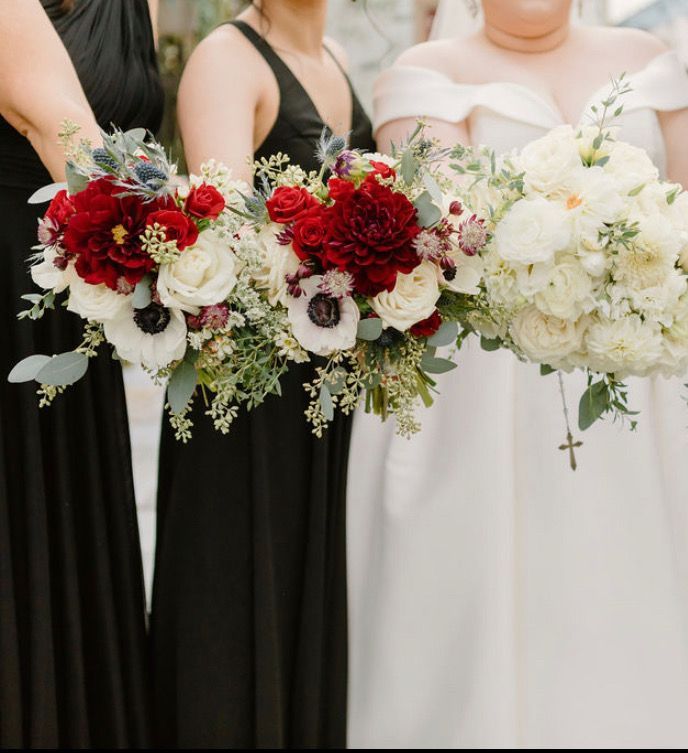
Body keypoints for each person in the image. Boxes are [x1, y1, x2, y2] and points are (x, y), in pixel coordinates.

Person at [344, 0, 688, 746]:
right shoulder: (422, 77)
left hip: (658, 367)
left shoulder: (646, 58)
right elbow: (449, 229)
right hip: (493, 391)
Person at [148, 0, 375, 746]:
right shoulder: (228, 58)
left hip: (326, 383)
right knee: (240, 598)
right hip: (249, 395)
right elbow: (229, 252)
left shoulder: (335, 53)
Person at [0, 0, 160, 746]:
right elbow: (67, 135)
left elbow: (139, 148)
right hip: (10, 302)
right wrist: (199, 251)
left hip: (72, 305)